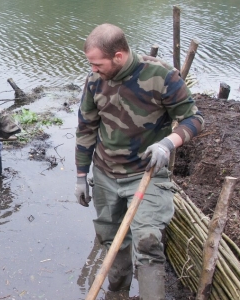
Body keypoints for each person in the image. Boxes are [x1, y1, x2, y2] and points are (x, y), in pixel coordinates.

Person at [73, 24, 204, 300]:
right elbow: (86, 128)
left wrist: (168, 143)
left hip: (146, 173)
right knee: (111, 240)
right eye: (91, 64)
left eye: (97, 64)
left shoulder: (162, 76)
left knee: (147, 243)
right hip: (106, 174)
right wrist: (80, 176)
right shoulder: (94, 81)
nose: (93, 69)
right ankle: (118, 293)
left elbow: (195, 119)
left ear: (118, 56)